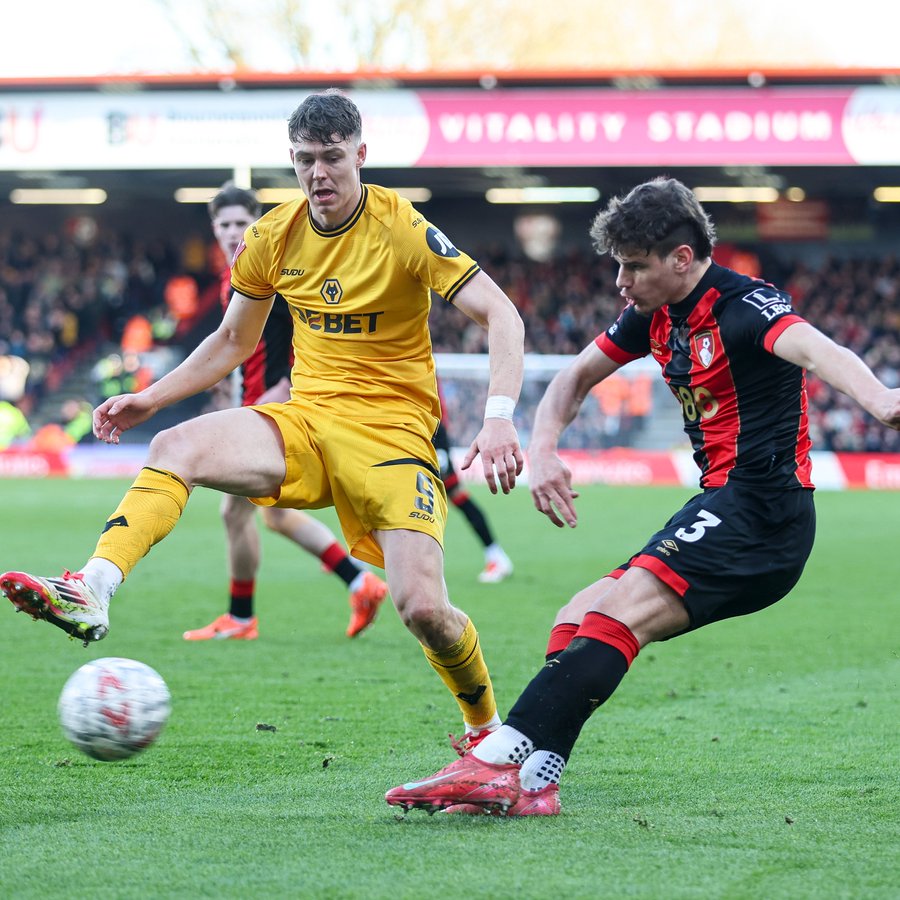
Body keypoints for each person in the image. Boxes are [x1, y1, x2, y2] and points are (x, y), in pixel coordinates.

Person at [2, 89, 525, 747]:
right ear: (292, 160)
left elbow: (502, 313)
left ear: (361, 155)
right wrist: (152, 396)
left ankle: (489, 737)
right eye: (306, 160)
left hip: (394, 438)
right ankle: (93, 587)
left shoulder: (401, 227)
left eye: (333, 158)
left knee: (424, 609)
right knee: (174, 444)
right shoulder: (274, 234)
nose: (319, 175)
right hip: (306, 420)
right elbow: (231, 340)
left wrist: (499, 416)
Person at [385, 177, 900, 817]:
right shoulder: (651, 314)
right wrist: (543, 450)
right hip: (723, 505)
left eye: (633, 266)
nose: (621, 281)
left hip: (766, 512)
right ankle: (538, 784)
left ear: (680, 259)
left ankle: (493, 760)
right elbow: (574, 377)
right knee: (576, 615)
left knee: (617, 613)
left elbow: (819, 351)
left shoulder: (747, 306)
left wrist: (881, 400)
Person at [183, 181, 388, 641]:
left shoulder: (271, 269)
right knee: (269, 514)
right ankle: (361, 583)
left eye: (242, 223)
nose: (234, 232)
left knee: (235, 513)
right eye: (225, 224)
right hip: (257, 401)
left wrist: (283, 387)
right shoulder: (233, 275)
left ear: (256, 222)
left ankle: (241, 618)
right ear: (214, 228)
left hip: (277, 405)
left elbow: (308, 326)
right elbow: (241, 345)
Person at [434, 381, 513, 584]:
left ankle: (496, 556)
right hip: (418, 432)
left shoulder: (419, 357)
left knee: (454, 494)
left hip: (431, 433)